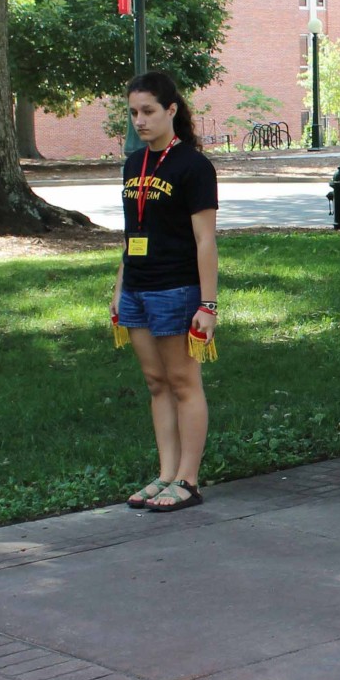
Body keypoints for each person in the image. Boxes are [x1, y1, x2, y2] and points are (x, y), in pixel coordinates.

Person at [116, 73, 220, 513]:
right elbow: (130, 233)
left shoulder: (193, 167)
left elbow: (205, 240)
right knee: (156, 383)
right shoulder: (132, 164)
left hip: (176, 290)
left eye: (148, 111)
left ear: (172, 110)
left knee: (182, 381)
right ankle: (165, 473)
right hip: (137, 290)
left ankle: (188, 480)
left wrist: (208, 304)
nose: (140, 121)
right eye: (134, 113)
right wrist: (119, 288)